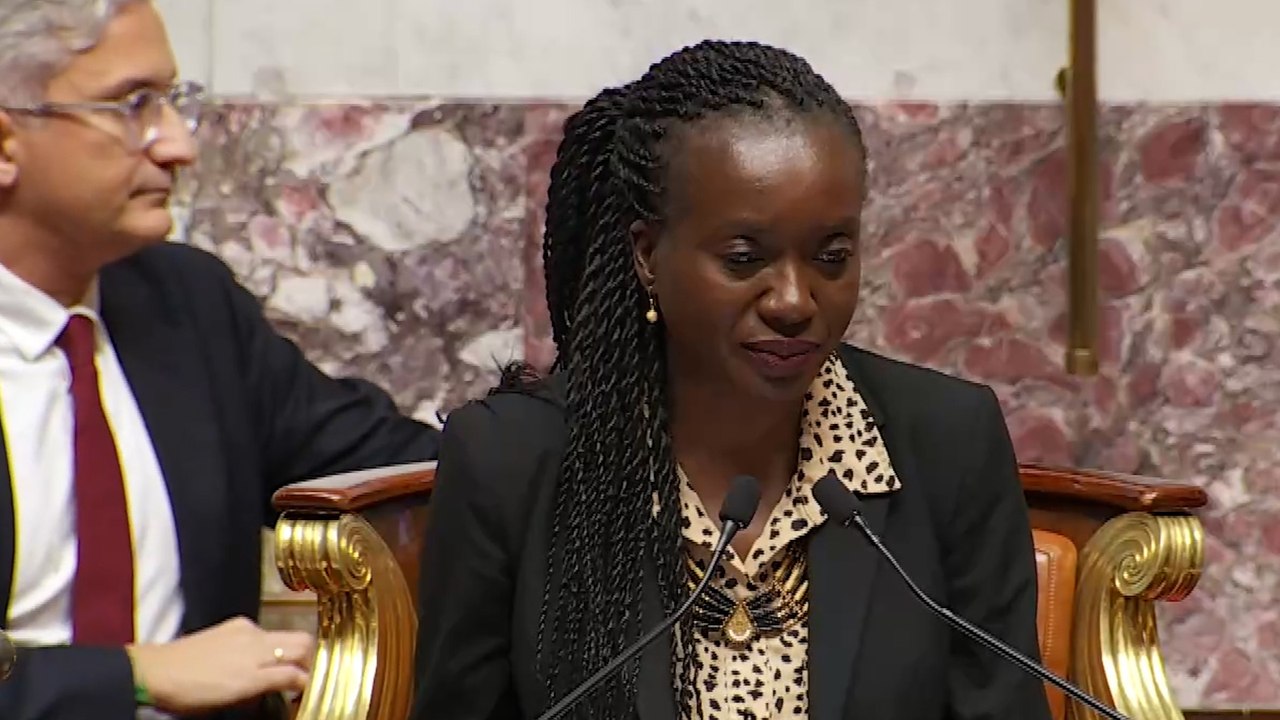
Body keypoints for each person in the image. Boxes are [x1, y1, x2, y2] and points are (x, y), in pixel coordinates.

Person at [412, 39, 1053, 720]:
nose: (794, 300)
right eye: (745, 258)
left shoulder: (947, 446)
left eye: (831, 258)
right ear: (648, 255)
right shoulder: (511, 467)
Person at [0, 1, 440, 718]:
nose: (177, 146)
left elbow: (393, 469)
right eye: (132, 105)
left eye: (174, 103)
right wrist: (134, 676)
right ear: (6, 141)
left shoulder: (187, 305)